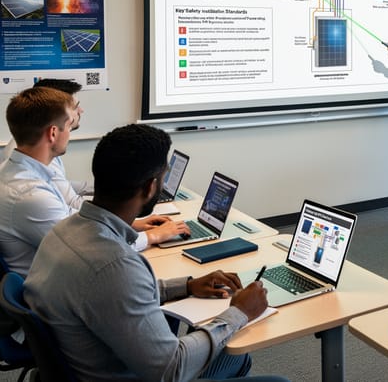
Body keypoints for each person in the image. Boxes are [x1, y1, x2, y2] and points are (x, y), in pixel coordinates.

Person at [24, 124, 286, 382]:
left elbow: (114, 295)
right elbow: (171, 370)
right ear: (150, 187)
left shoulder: (64, 231)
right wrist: (239, 313)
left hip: (85, 361)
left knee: (236, 358)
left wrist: (187, 285)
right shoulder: (113, 266)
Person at [0, 87, 187, 274]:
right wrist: (153, 236)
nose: (71, 131)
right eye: (69, 124)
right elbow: (93, 250)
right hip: (54, 292)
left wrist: (129, 224)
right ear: (53, 133)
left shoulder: (20, 172)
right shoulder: (29, 195)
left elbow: (68, 214)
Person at [2, 78, 92, 203]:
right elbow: (71, 204)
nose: (81, 110)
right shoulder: (38, 149)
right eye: (75, 107)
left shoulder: (31, 143)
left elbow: (61, 184)